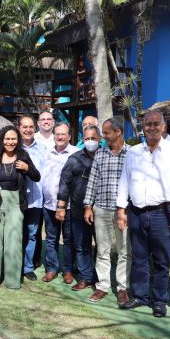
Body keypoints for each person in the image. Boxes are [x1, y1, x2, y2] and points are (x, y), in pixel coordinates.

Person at [116, 110, 170, 317]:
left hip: (163, 212)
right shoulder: (134, 152)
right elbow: (125, 180)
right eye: (147, 124)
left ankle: (159, 300)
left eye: (156, 124)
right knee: (139, 257)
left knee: (161, 259)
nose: (151, 127)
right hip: (137, 212)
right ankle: (140, 296)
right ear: (143, 127)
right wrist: (121, 209)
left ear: (164, 126)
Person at [0, 126, 40, 289]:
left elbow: (37, 176)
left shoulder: (23, 155)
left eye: (13, 139)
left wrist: (27, 168)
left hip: (16, 203)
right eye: (7, 139)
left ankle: (12, 280)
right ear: (2, 140)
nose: (10, 142)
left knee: (13, 242)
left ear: (18, 140)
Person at [84, 116, 131, 303]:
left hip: (123, 212)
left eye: (106, 133)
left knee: (124, 250)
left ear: (118, 132)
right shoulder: (101, 154)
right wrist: (88, 206)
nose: (102, 136)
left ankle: (122, 288)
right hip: (101, 209)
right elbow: (92, 181)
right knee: (102, 250)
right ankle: (102, 286)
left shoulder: (132, 154)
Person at [56, 125, 100, 291]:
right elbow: (65, 183)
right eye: (87, 138)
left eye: (93, 138)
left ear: (100, 139)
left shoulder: (106, 156)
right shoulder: (74, 159)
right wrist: (61, 206)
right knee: (81, 245)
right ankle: (85, 277)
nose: (90, 141)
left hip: (102, 211)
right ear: (83, 139)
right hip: (77, 210)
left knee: (101, 248)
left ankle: (99, 278)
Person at [40, 123, 79, 283]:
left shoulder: (76, 153)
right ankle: (51, 269)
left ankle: (68, 270)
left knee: (69, 239)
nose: (60, 137)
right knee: (51, 238)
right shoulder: (47, 153)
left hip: (69, 206)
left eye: (63, 134)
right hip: (49, 203)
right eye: (57, 134)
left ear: (69, 136)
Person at [18, 115, 45, 280]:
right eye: (24, 127)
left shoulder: (42, 148)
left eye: (30, 127)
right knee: (15, 234)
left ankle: (27, 267)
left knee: (32, 233)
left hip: (35, 199)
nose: (28, 130)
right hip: (17, 200)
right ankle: (13, 265)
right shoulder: (13, 146)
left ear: (34, 128)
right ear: (19, 128)